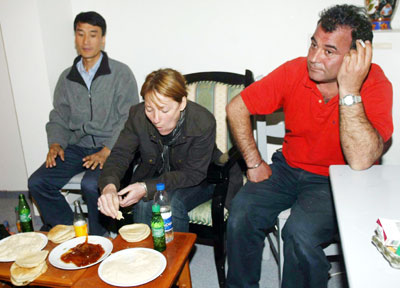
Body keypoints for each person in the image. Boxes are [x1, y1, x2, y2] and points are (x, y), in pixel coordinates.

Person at [226, 4, 393, 288]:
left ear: (356, 57)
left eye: (329, 51)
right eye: (313, 44)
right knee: (241, 213)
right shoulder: (294, 71)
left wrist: (350, 92)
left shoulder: (375, 84)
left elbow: (362, 160)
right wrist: (253, 162)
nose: (314, 58)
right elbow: (236, 107)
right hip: (288, 168)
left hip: (340, 180)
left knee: (299, 233)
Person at [28, 11, 139, 236]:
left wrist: (107, 150)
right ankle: (73, 232)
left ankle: (100, 237)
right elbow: (59, 115)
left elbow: (128, 118)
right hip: (77, 146)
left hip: (112, 146)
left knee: (92, 185)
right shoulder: (66, 78)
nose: (86, 41)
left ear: (102, 39)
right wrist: (56, 143)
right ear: (75, 38)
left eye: (93, 35)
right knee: (38, 182)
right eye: (81, 34)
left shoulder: (120, 73)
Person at [97, 68, 241, 232]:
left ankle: (175, 256)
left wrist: (145, 187)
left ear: (182, 103)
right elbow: (120, 154)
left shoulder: (202, 121)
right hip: (157, 176)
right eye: (149, 109)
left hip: (200, 177)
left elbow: (193, 173)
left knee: (167, 204)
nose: (156, 119)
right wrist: (109, 187)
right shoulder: (137, 115)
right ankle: (148, 256)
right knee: (145, 205)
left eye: (164, 110)